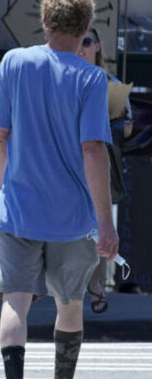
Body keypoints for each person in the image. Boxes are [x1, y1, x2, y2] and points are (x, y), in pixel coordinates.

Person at [0, 0, 119, 379]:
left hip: (20, 208)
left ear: (44, 20)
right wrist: (105, 220)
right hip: (74, 218)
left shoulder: (14, 62)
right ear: (87, 26)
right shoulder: (92, 79)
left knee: (15, 301)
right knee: (70, 304)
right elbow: (93, 151)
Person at [75, 27, 134, 314]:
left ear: (98, 46)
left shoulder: (111, 83)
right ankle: (72, 285)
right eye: (78, 41)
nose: (82, 47)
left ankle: (96, 284)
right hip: (68, 165)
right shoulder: (64, 80)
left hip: (98, 163)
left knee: (100, 227)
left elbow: (127, 127)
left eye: (86, 42)